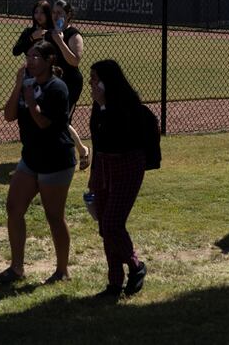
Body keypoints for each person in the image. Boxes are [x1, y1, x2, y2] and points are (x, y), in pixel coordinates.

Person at [0, 41, 75, 285]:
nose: (30, 60)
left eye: (36, 56)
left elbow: (44, 123)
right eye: (28, 56)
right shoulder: (26, 85)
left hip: (56, 160)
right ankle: (17, 268)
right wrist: (19, 85)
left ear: (50, 60)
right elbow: (8, 115)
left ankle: (62, 271)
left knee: (54, 216)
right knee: (14, 207)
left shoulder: (56, 88)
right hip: (30, 158)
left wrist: (30, 101)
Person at [88, 59, 154, 299]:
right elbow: (98, 141)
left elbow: (119, 137)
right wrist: (94, 175)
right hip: (105, 165)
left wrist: (104, 105)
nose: (91, 85)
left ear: (107, 82)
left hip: (127, 165)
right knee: (105, 227)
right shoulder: (99, 105)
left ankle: (136, 267)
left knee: (112, 223)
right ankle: (114, 283)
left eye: (95, 79)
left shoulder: (127, 107)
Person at [50, 0, 90, 169]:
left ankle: (82, 150)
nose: (56, 15)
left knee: (61, 120)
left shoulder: (74, 35)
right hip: (54, 82)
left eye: (60, 12)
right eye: (54, 12)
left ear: (68, 15)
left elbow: (74, 61)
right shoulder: (50, 33)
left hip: (71, 82)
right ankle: (74, 151)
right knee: (56, 120)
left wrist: (60, 41)